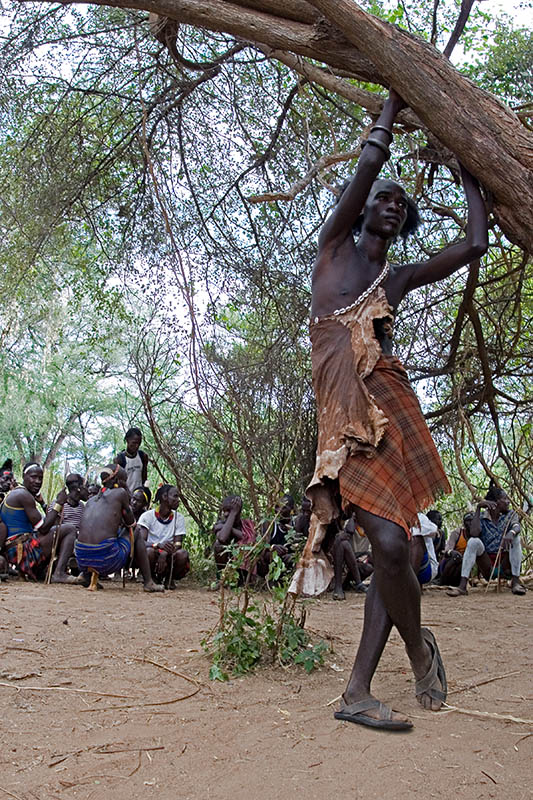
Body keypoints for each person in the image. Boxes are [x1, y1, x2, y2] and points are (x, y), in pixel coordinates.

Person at [289, 87, 488, 730]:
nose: (390, 203)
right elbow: (368, 167)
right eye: (382, 198)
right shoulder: (333, 251)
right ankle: (413, 649)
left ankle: (360, 688)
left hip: (390, 404)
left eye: (401, 204)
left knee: (395, 547)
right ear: (363, 211)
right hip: (343, 417)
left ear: (403, 222)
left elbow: (473, 247)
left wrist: (472, 178)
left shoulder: (395, 279)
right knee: (387, 543)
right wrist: (392, 106)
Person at [75, 465, 163, 592]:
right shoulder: (120, 493)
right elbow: (131, 523)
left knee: (107, 534)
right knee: (136, 530)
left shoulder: (91, 500)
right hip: (106, 559)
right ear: (118, 481)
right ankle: (148, 582)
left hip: (81, 560)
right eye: (125, 480)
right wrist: (125, 489)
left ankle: (85, 575)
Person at [0, 462, 78, 582]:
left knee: (60, 530)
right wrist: (59, 503)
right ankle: (59, 573)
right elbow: (43, 527)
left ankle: (42, 571)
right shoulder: (23, 495)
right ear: (24, 476)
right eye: (33, 477)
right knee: (70, 529)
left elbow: (51, 522)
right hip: (22, 549)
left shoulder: (18, 493)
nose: (37, 481)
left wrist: (42, 503)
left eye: (40, 478)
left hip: (16, 548)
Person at [447, 482, 526, 597]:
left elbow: (517, 526)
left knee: (515, 538)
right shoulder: (482, 517)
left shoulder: (510, 514)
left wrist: (511, 533)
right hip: (487, 564)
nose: (508, 502)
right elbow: (474, 533)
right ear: (495, 503)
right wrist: (478, 508)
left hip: (504, 562)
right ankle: (462, 586)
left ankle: (516, 582)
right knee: (474, 541)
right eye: (505, 499)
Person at [137, 484, 189, 589]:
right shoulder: (147, 516)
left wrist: (165, 553)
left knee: (182, 554)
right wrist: (157, 546)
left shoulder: (179, 518)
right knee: (148, 552)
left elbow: (178, 545)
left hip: (169, 554)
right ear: (165, 497)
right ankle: (151, 578)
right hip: (153, 552)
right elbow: (141, 542)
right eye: (175, 496)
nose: (178, 500)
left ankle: (169, 579)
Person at [213, 495, 256, 583]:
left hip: (243, 573)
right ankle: (224, 579)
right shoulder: (221, 523)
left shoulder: (247, 525)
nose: (225, 514)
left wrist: (231, 529)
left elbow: (248, 538)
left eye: (229, 510)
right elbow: (222, 538)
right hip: (227, 568)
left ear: (238, 511)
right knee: (218, 545)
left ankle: (244, 581)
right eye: (224, 511)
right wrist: (232, 515)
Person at [331, 513, 372, 600]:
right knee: (343, 543)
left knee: (368, 567)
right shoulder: (349, 524)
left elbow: (370, 553)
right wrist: (353, 518)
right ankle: (344, 586)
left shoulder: (370, 525)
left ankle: (349, 583)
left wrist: (364, 555)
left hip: (361, 562)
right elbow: (349, 532)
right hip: (346, 561)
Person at [436, 511, 473, 587]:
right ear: (464, 523)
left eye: (472, 520)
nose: (470, 523)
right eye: (468, 521)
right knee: (457, 557)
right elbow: (447, 551)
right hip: (452, 564)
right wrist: (452, 552)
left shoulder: (477, 536)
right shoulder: (457, 533)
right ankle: (441, 580)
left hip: (464, 569)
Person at [115, 427, 149, 493]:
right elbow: (118, 482)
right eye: (134, 443)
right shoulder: (119, 459)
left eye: (139, 443)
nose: (136, 446)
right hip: (125, 496)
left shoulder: (143, 456)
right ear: (127, 440)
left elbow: (144, 477)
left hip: (139, 497)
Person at [410, 513, 439, 587]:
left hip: (426, 570)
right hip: (399, 567)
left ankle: (410, 585)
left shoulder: (419, 516)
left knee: (416, 539)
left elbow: (434, 530)